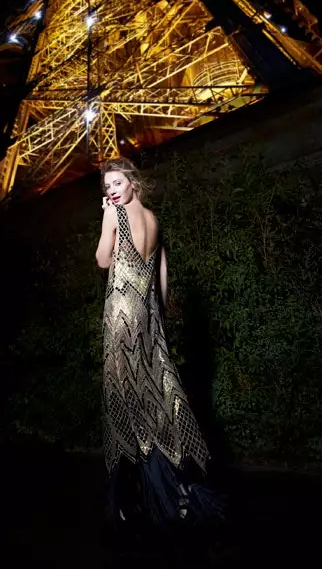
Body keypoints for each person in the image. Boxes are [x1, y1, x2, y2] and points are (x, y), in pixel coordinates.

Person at [95, 157, 225, 534]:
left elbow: (103, 260)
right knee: (160, 391)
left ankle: (129, 501)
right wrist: (156, 319)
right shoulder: (154, 220)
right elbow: (161, 279)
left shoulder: (116, 216)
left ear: (133, 182)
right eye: (108, 187)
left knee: (124, 397)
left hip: (121, 317)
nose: (113, 191)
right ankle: (177, 486)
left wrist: (107, 218)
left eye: (118, 183)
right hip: (149, 317)